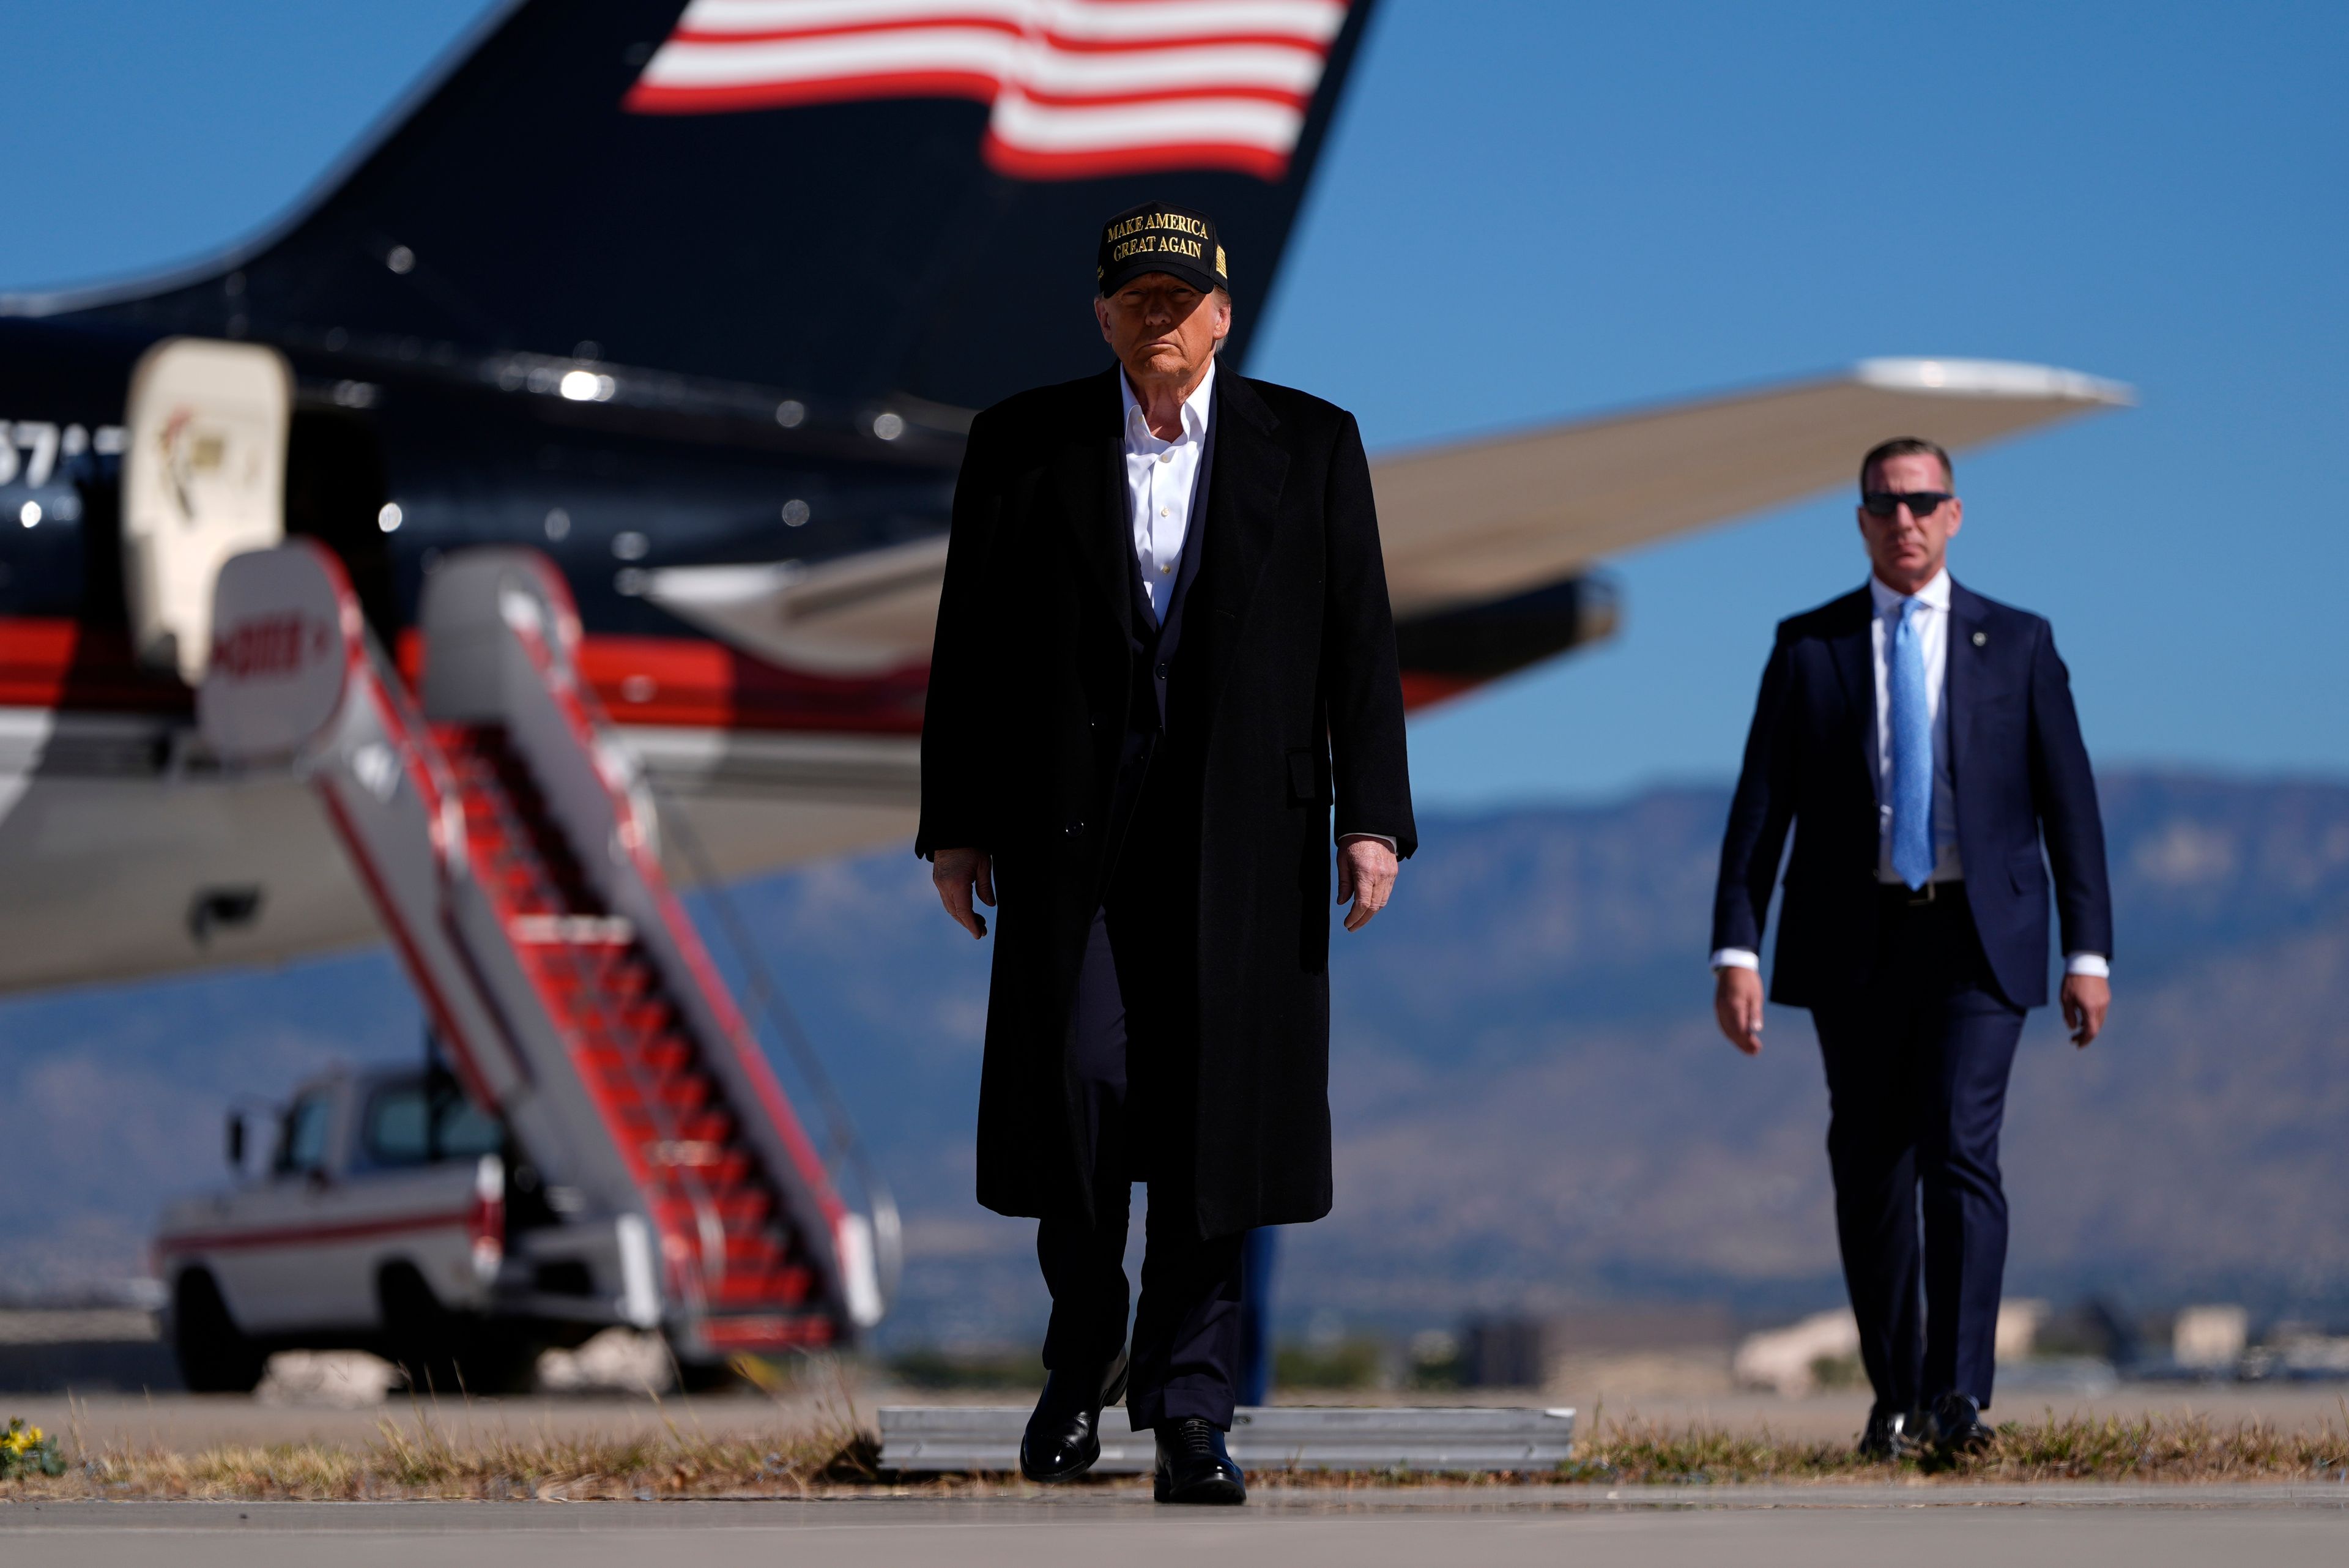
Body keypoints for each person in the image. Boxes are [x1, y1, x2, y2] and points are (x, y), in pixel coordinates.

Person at [918, 201, 1415, 1505]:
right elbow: (968, 648)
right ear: (1102, 313)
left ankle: (1192, 1413)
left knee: (1216, 1119)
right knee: (1075, 1092)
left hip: (1244, 838)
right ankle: (1083, 1350)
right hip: (1069, 833)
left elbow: (1360, 643)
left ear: (1222, 316)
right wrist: (957, 825)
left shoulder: (1309, 446)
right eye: (1134, 294)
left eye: (1181, 296)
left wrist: (1372, 817)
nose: (1159, 314)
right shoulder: (1020, 445)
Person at [1709, 437, 2113, 1460]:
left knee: (1961, 1151)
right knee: (1871, 1164)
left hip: (1981, 937)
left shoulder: (2017, 643)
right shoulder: (1811, 646)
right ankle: (1897, 1394)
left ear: (1956, 514)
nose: (1906, 520)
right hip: (1857, 933)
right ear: (1861, 521)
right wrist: (1735, 948)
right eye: (1887, 505)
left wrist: (2089, 951)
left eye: (1924, 502)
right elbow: (1762, 810)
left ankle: (1961, 1398)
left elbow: (2072, 808)